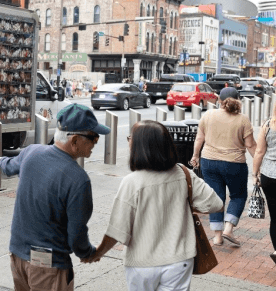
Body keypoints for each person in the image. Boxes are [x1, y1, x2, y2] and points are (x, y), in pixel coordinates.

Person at [87, 121, 223, 290]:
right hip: (179, 261)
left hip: (142, 263)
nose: (128, 142)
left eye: (130, 138)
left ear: (141, 146)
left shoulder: (132, 182)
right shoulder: (183, 173)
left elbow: (118, 229)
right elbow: (216, 204)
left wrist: (98, 253)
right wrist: (183, 206)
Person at [0, 104, 110, 291]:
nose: (96, 142)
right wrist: (88, 253)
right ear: (75, 140)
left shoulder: (31, 152)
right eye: (93, 137)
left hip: (17, 257)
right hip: (49, 267)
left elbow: (10, 166)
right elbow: (76, 234)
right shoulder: (78, 180)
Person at [190, 87, 256, 246]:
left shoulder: (208, 115)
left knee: (216, 197)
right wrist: (259, 163)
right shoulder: (243, 119)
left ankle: (218, 237)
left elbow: (199, 138)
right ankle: (228, 228)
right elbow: (250, 145)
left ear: (219, 100)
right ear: (238, 100)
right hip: (234, 164)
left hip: (209, 162)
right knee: (238, 196)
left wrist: (195, 156)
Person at [251, 106, 276, 263]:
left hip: (269, 175)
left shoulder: (268, 125)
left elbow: (259, 152)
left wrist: (255, 174)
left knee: (275, 217)